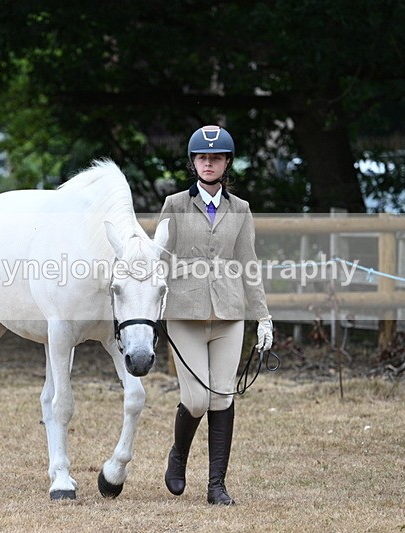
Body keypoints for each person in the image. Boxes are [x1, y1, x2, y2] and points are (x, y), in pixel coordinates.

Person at [158, 125, 273, 505]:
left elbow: (248, 263)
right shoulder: (174, 205)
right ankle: (178, 455)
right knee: (196, 400)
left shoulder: (240, 209)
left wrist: (263, 317)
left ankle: (216, 486)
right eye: (203, 157)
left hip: (228, 313)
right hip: (184, 312)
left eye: (217, 157)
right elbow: (160, 260)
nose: (209, 163)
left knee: (222, 397)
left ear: (227, 163)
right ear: (193, 162)